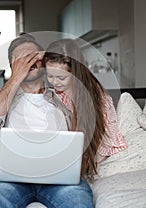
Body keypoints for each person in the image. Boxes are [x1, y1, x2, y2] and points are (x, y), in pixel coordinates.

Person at [0, 34, 94, 208]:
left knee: (77, 199)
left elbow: (88, 95)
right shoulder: (3, 98)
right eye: (21, 60)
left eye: (33, 56)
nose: (28, 63)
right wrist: (16, 76)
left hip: (59, 177)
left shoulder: (63, 96)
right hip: (12, 177)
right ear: (12, 66)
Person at [43, 38, 127, 180]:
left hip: (93, 157)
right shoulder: (55, 94)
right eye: (50, 76)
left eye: (61, 78)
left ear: (76, 72)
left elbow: (105, 141)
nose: (55, 82)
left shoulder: (96, 97)